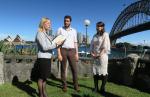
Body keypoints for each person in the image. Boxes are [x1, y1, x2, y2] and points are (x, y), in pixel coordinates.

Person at [35, 17, 62, 97]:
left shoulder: (45, 33)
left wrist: (57, 41)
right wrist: (56, 44)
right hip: (43, 58)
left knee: (45, 77)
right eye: (48, 23)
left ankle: (44, 93)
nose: (50, 25)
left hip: (47, 58)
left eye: (50, 23)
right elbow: (44, 47)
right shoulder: (40, 33)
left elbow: (50, 43)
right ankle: (41, 94)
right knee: (41, 77)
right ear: (43, 24)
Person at [57, 15, 79, 92]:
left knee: (74, 69)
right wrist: (59, 53)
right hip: (63, 50)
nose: (66, 22)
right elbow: (58, 42)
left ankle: (76, 86)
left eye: (67, 21)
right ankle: (64, 86)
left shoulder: (74, 30)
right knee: (63, 69)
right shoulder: (60, 29)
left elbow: (75, 42)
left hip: (72, 50)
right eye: (65, 21)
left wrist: (77, 53)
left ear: (70, 22)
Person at [90, 21, 110, 95]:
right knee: (95, 72)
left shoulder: (105, 34)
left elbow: (105, 46)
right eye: (98, 26)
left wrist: (99, 55)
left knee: (104, 73)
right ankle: (96, 88)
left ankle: (102, 88)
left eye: (100, 26)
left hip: (103, 56)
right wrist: (92, 53)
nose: (99, 27)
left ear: (103, 27)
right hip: (95, 56)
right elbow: (91, 45)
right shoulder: (94, 35)